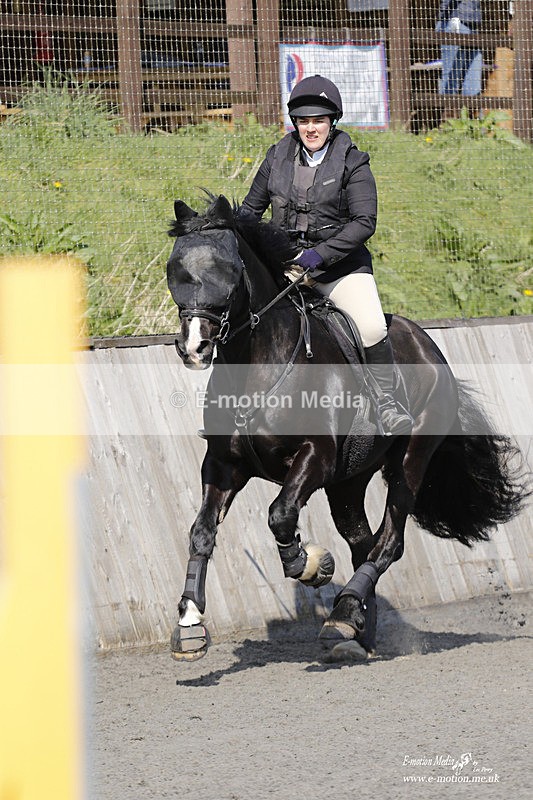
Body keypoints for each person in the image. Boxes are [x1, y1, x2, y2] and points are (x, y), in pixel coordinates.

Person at [238, 75, 413, 436]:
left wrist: (318, 256)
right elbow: (249, 213)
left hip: (339, 268)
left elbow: (364, 222)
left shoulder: (353, 162)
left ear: (332, 122)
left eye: (318, 120)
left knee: (371, 326)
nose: (310, 128)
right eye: (303, 121)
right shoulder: (276, 157)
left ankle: (387, 402)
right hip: (286, 267)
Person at [436, 0, 482, 95]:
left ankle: (470, 109)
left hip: (473, 24)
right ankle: (448, 109)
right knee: (451, 79)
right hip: (454, 21)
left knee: (473, 83)